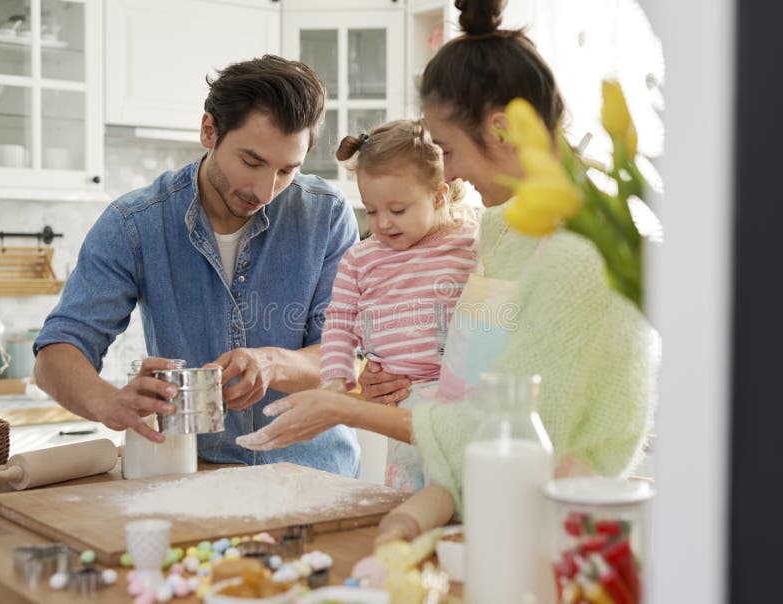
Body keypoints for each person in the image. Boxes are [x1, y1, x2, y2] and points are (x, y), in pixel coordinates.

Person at [237, 0, 659, 539]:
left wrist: (347, 410)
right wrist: (384, 387)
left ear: (502, 131)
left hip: (562, 538)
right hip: (485, 518)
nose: (449, 171)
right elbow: (466, 388)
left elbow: (507, 435)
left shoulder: (582, 258)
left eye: (449, 149)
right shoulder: (506, 233)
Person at [33, 55, 361, 477]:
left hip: (318, 476)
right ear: (209, 130)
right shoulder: (135, 223)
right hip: (194, 474)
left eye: (286, 170)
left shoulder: (327, 215)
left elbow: (346, 358)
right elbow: (57, 352)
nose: (265, 190)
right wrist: (108, 402)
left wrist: (271, 363)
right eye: (252, 162)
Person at [302, 119, 477, 493]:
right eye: (371, 210)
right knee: (406, 496)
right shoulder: (360, 259)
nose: (382, 223)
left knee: (463, 498)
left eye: (397, 210)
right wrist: (336, 379)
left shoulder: (471, 245)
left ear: (439, 196)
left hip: (464, 403)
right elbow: (338, 323)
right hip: (400, 402)